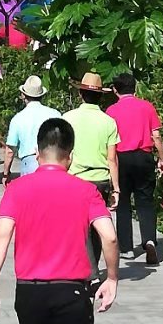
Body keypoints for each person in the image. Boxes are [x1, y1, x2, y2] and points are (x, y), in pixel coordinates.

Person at [0, 118, 118, 324]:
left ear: (37, 153)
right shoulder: (87, 191)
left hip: (29, 293)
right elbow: (110, 236)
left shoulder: (16, 189)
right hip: (72, 292)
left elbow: (2, 238)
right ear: (71, 156)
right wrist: (112, 278)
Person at [107, 72, 163, 264]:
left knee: (123, 202)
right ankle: (149, 240)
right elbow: (156, 135)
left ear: (115, 90)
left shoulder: (111, 111)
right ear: (134, 88)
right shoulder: (147, 107)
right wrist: (162, 158)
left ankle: (126, 249)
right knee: (145, 200)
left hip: (121, 158)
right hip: (144, 156)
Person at [63, 73, 120, 272]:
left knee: (78, 227)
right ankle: (92, 266)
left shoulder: (67, 118)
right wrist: (116, 188)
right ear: (100, 96)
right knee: (97, 226)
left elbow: (63, 151)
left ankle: (86, 270)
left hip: (75, 179)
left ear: (80, 94)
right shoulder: (108, 122)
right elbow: (112, 158)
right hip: (100, 180)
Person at [2, 75, 61, 182]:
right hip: (53, 162)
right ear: (42, 95)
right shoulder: (55, 114)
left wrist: (6, 173)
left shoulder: (18, 118)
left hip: (29, 163)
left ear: (23, 95)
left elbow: (10, 151)